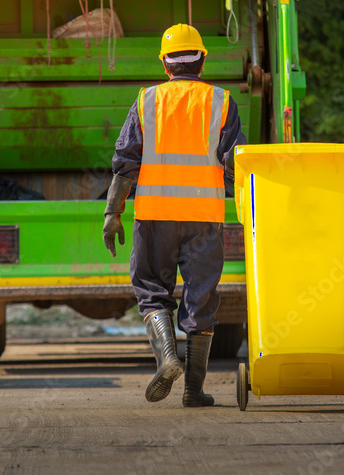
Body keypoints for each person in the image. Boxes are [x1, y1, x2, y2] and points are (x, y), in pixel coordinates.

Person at [102, 23, 245, 407]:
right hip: (204, 216)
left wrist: (112, 212)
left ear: (165, 64)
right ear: (202, 60)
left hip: (154, 216)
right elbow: (236, 162)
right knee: (201, 299)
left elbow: (125, 162)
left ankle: (167, 358)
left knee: (151, 291)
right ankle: (193, 391)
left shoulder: (147, 101)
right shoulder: (222, 101)